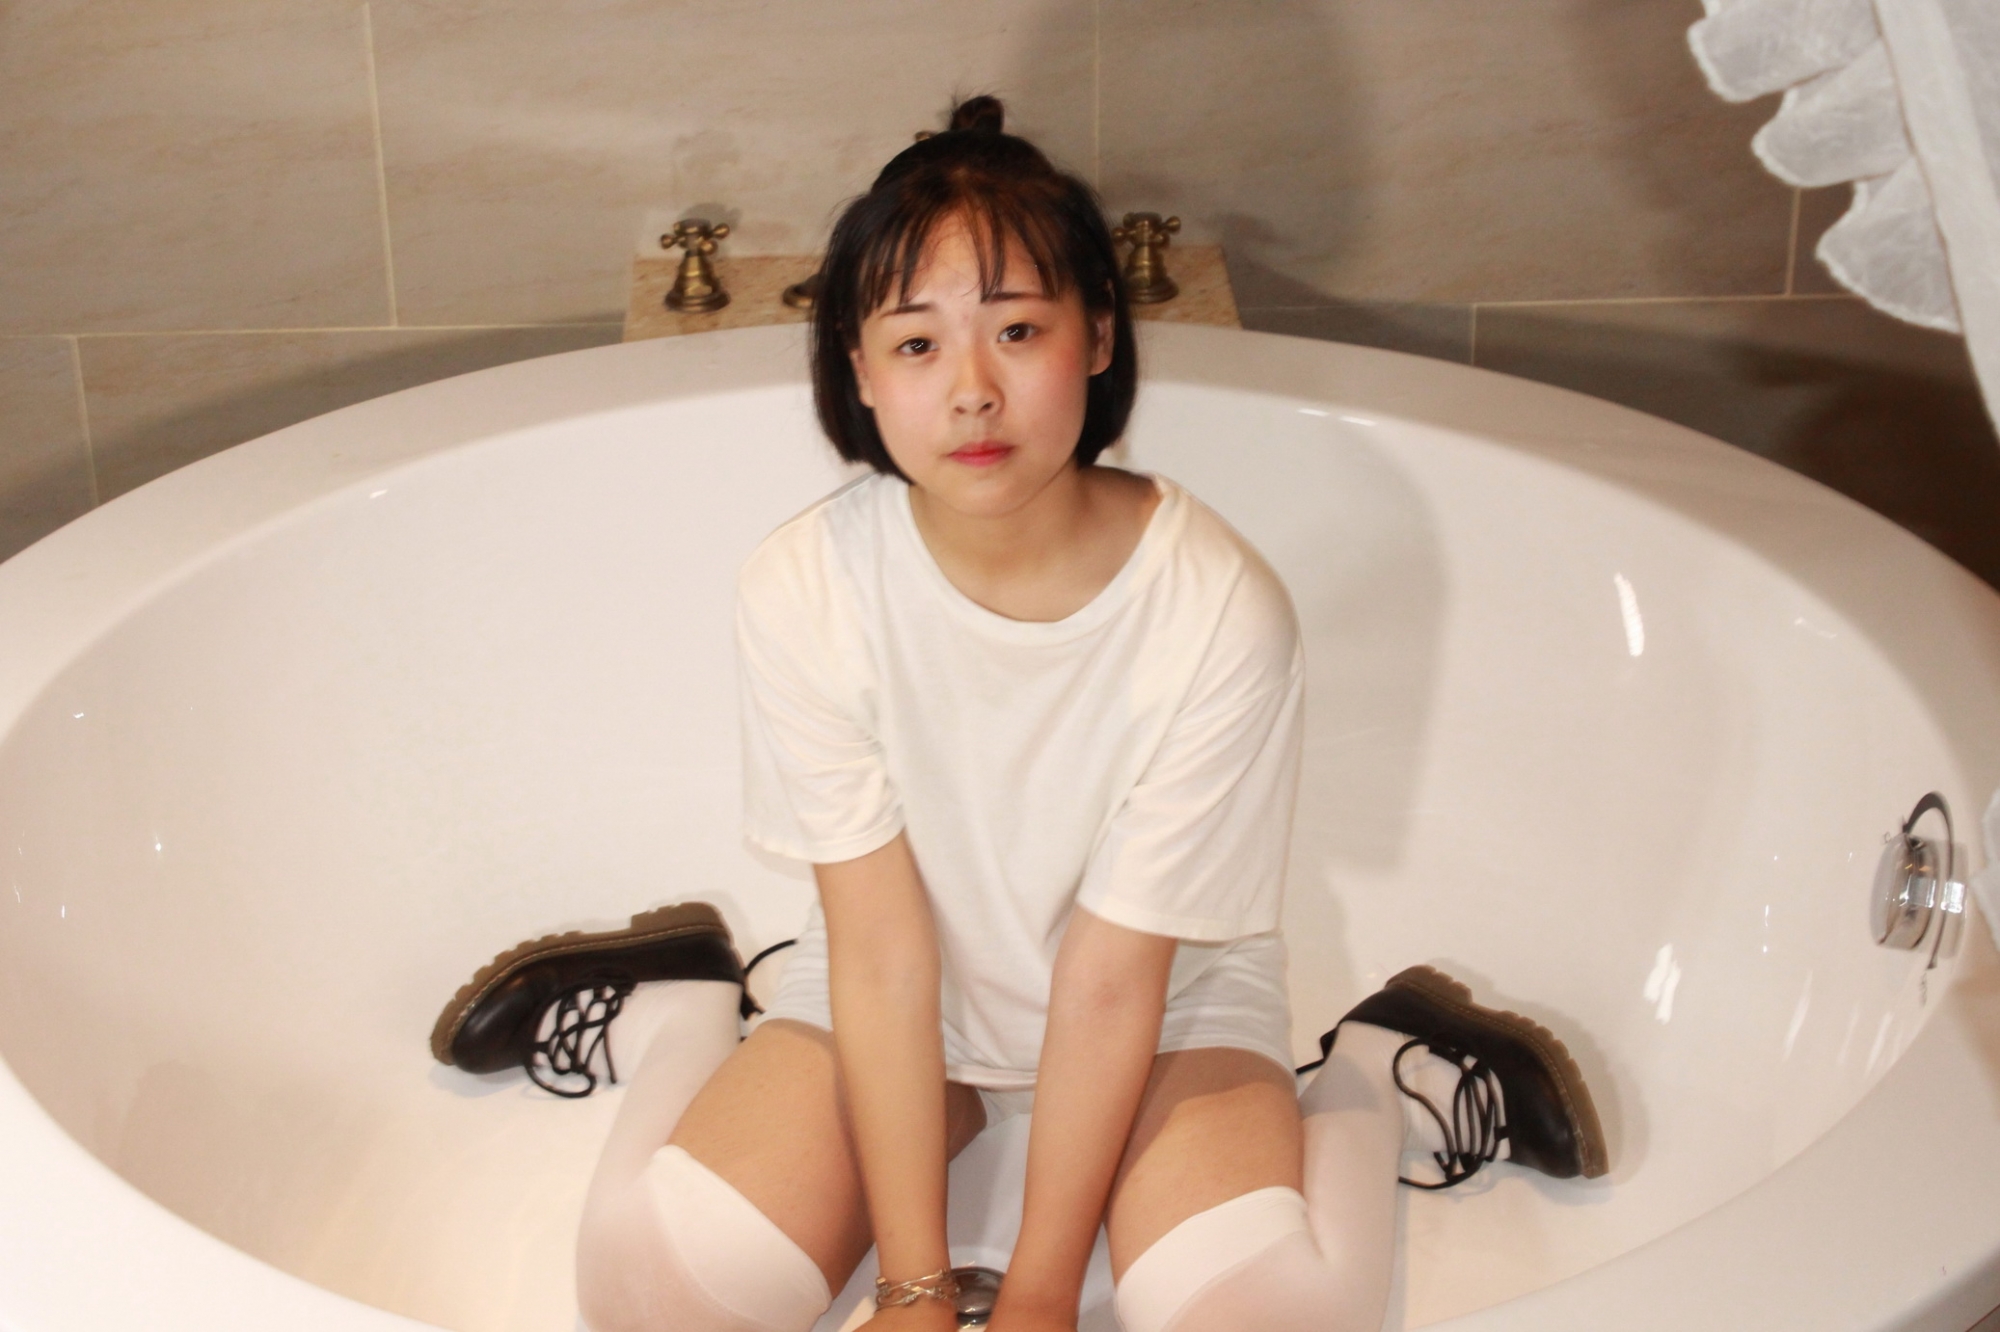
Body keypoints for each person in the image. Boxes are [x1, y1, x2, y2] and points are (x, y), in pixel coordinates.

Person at [431, 95, 1607, 1332]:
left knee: (1267, 1320)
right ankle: (681, 1016)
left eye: (1016, 330)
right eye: (916, 344)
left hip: (1166, 1015)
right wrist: (914, 1289)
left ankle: (1380, 1075)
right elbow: (882, 953)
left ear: (1096, 335)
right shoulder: (807, 585)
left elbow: (1110, 982)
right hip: (889, 1001)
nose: (972, 392)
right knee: (651, 1299)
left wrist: (1039, 1299)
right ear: (858, 370)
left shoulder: (1214, 607)